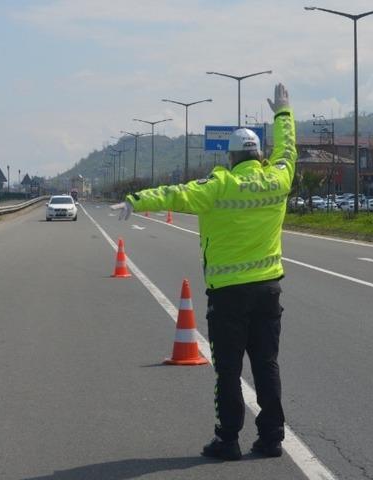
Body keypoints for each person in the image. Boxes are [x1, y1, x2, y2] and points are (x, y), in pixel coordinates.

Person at [112, 83, 296, 461]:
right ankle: (272, 438)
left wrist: (135, 199)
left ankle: (228, 439)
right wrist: (283, 114)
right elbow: (288, 150)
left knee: (228, 370)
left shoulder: (218, 186)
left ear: (229, 158)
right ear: (258, 155)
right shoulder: (278, 179)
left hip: (228, 293)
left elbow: (175, 193)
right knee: (266, 364)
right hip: (268, 289)